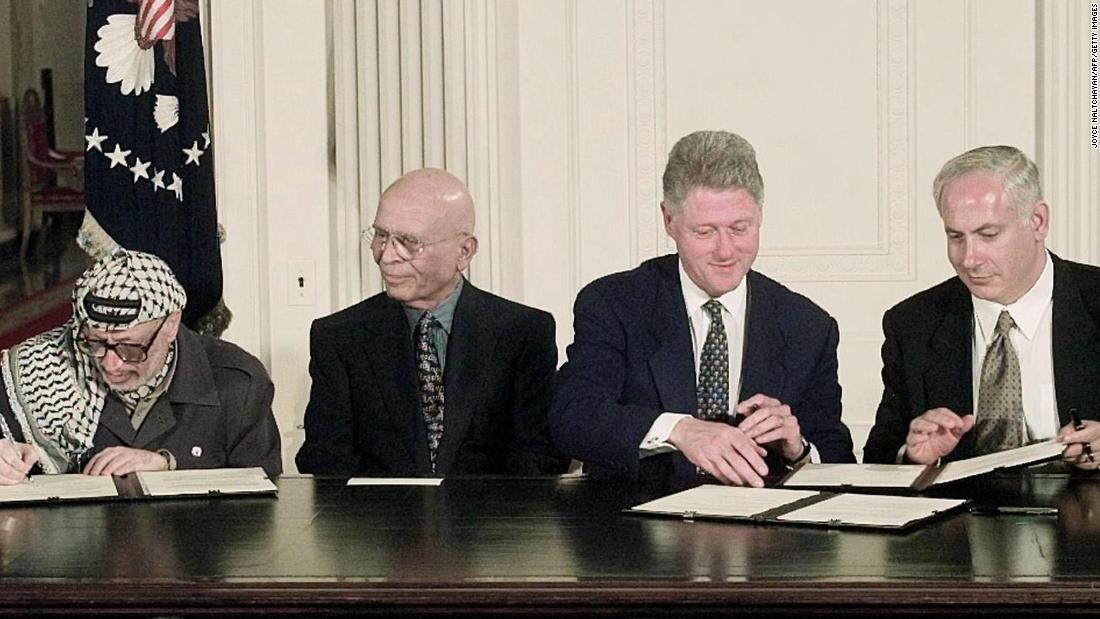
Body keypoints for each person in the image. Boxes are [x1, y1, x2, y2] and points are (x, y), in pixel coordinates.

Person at [550, 130, 855, 487]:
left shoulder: (807, 326)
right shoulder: (615, 304)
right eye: (705, 232)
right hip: (635, 530)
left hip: (763, 536)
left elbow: (837, 458)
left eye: (740, 228)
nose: (725, 251)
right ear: (669, 220)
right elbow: (574, 418)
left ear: (760, 216)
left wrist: (797, 448)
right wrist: (678, 429)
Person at [295, 168, 568, 476]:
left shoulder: (523, 333)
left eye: (408, 242)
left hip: (489, 520)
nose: (386, 256)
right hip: (376, 520)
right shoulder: (339, 337)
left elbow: (538, 456)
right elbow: (325, 459)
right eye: (381, 236)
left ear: (464, 252)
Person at [863, 145, 1100, 467]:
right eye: (955, 237)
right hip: (960, 514)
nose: (969, 259)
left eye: (988, 235)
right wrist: (915, 458)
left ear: (1038, 222)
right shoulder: (913, 323)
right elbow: (880, 457)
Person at [0, 249, 282, 484]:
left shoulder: (237, 383)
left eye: (130, 347)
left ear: (171, 325)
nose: (111, 364)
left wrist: (170, 465)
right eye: (95, 343)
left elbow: (263, 493)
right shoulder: (35, 368)